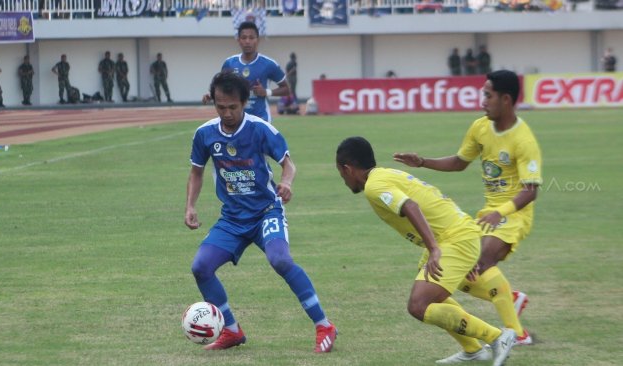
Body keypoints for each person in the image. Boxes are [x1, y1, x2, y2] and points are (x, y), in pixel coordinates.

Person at [186, 71, 337, 352]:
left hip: (266, 211)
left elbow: (288, 164)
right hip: (231, 219)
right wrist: (190, 206)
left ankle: (324, 325)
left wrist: (287, 182)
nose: (227, 113)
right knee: (201, 267)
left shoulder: (260, 129)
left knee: (280, 260)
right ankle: (231, 330)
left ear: (244, 103)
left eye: (233, 107)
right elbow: (196, 172)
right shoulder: (205, 134)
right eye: (221, 107)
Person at [393, 70, 541, 351]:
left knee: (480, 261)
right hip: (489, 213)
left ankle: (516, 333)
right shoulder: (480, 127)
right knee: (461, 269)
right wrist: (423, 162)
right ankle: (510, 298)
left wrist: (503, 211)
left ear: (506, 100)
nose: (482, 100)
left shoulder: (523, 140)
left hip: (514, 214)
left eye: (488, 95)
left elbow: (531, 190)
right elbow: (461, 162)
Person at [336, 136, 516, 366]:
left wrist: (434, 250)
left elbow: (411, 206)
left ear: (347, 168)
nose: (342, 179)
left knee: (419, 305)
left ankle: (498, 337)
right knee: (433, 296)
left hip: (453, 238)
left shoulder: (374, 186)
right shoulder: (386, 173)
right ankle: (473, 350)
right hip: (455, 233)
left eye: (341, 173)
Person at [202, 21, 289, 122]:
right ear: (238, 40)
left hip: (261, 119)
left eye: (251, 38)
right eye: (244, 38)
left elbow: (286, 89)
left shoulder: (268, 64)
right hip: (236, 119)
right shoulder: (230, 63)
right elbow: (221, 87)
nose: (247, 41)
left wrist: (266, 92)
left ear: (258, 40)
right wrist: (211, 95)